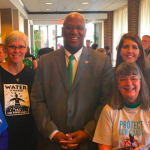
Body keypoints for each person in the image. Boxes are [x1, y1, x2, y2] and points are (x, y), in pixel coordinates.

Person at [31, 12, 114, 150]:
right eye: (69, 27)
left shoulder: (102, 61)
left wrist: (88, 131)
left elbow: (107, 101)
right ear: (63, 31)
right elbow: (37, 100)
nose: (74, 31)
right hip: (52, 143)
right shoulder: (46, 61)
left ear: (85, 31)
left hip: (88, 143)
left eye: (79, 28)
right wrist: (52, 132)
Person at [93, 62, 150, 149]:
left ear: (141, 83)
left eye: (134, 79)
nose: (129, 83)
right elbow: (104, 146)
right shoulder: (108, 110)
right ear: (117, 85)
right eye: (123, 79)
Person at [0, 30, 37, 150]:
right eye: (12, 47)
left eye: (21, 47)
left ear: (26, 50)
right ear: (5, 49)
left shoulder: (33, 75)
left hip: (29, 135)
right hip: (4, 136)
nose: (17, 51)